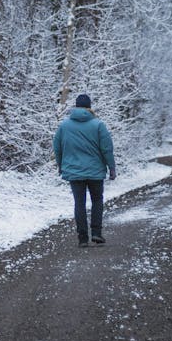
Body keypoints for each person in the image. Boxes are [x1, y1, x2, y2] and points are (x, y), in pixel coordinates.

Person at [53, 93, 116, 248]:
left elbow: (57, 147)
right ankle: (96, 233)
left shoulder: (64, 125)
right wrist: (111, 167)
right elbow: (107, 148)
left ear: (76, 106)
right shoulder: (98, 124)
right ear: (89, 107)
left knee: (79, 203)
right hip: (95, 171)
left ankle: (82, 238)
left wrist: (60, 165)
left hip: (74, 172)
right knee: (97, 201)